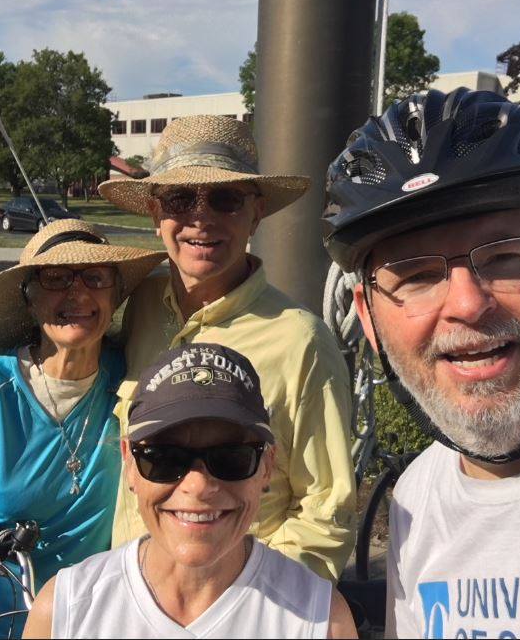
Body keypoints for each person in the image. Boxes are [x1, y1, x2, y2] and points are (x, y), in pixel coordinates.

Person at [322, 88, 520, 638]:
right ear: (369, 320)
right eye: (417, 276)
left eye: (504, 257)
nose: (468, 304)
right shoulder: (418, 501)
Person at [98, 115, 357, 582]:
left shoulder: (301, 342)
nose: (201, 218)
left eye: (225, 199)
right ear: (156, 214)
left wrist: (250, 603)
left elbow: (326, 511)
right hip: (131, 594)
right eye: (180, 199)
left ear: (256, 213)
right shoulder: (142, 307)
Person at [0, 219, 165, 638]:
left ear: (115, 295)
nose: (78, 293)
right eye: (56, 278)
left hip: (99, 621)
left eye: (96, 277)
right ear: (29, 297)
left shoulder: (133, 381)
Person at [23, 343, 359, 639]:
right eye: (163, 458)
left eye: (231, 457)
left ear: (267, 466)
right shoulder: (65, 612)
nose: (198, 486)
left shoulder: (322, 621)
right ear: (129, 463)